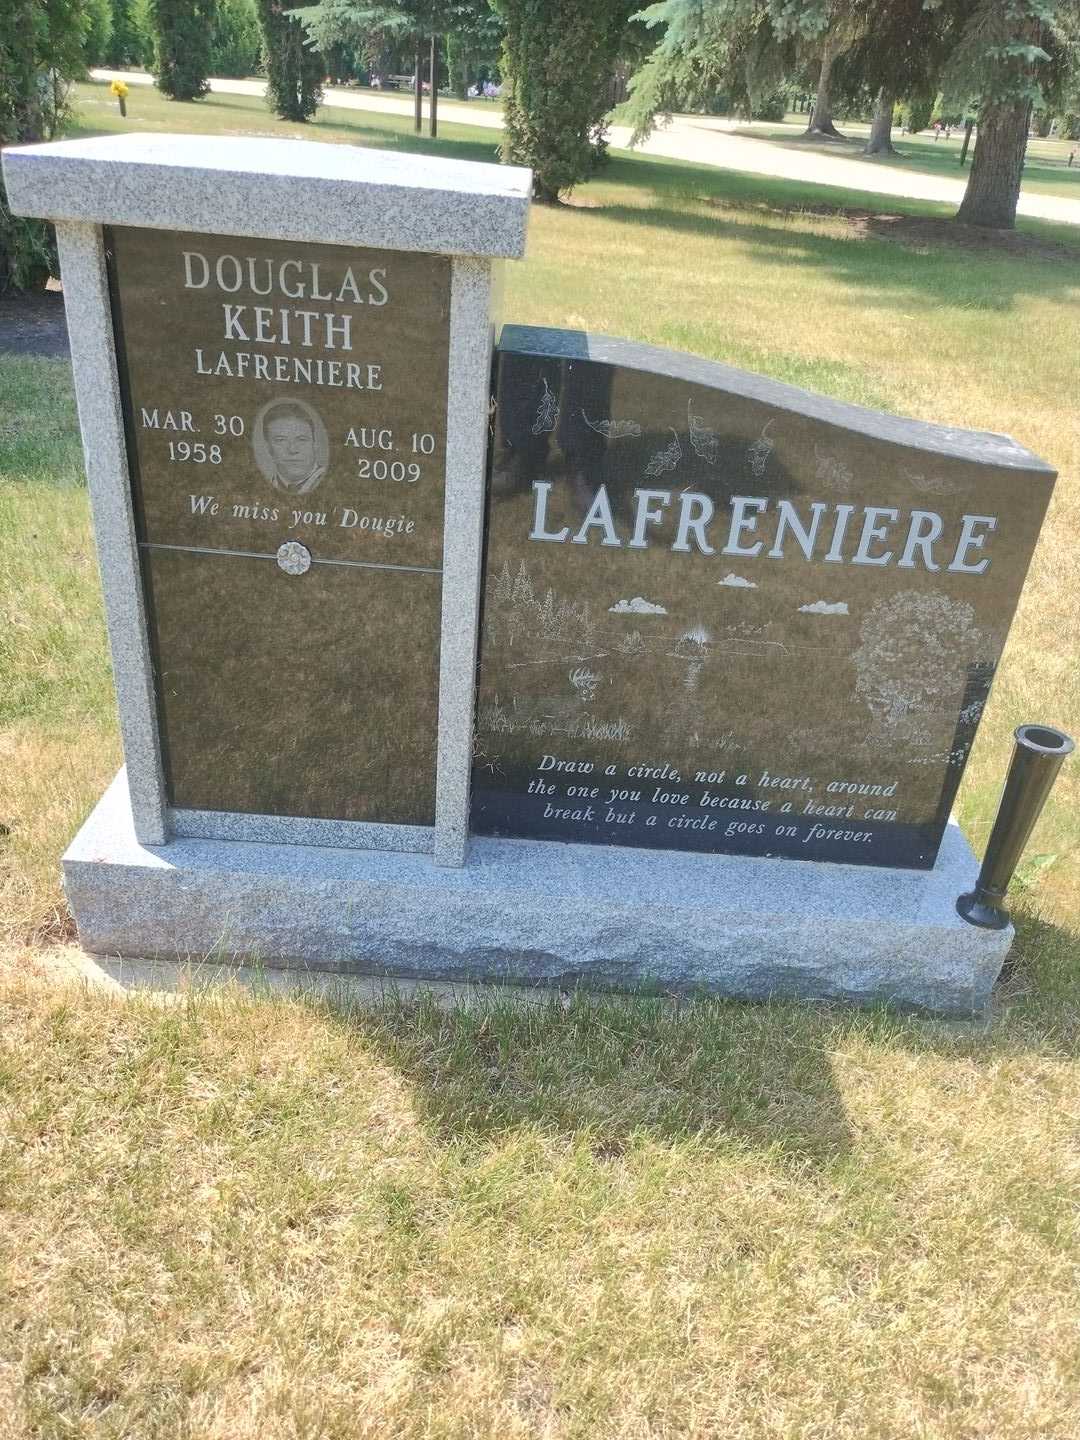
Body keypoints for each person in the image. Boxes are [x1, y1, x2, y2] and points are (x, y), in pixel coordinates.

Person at [255, 400, 327, 495]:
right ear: (268, 447)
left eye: (302, 439)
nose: (292, 450)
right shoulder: (259, 489)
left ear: (315, 443)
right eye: (281, 440)